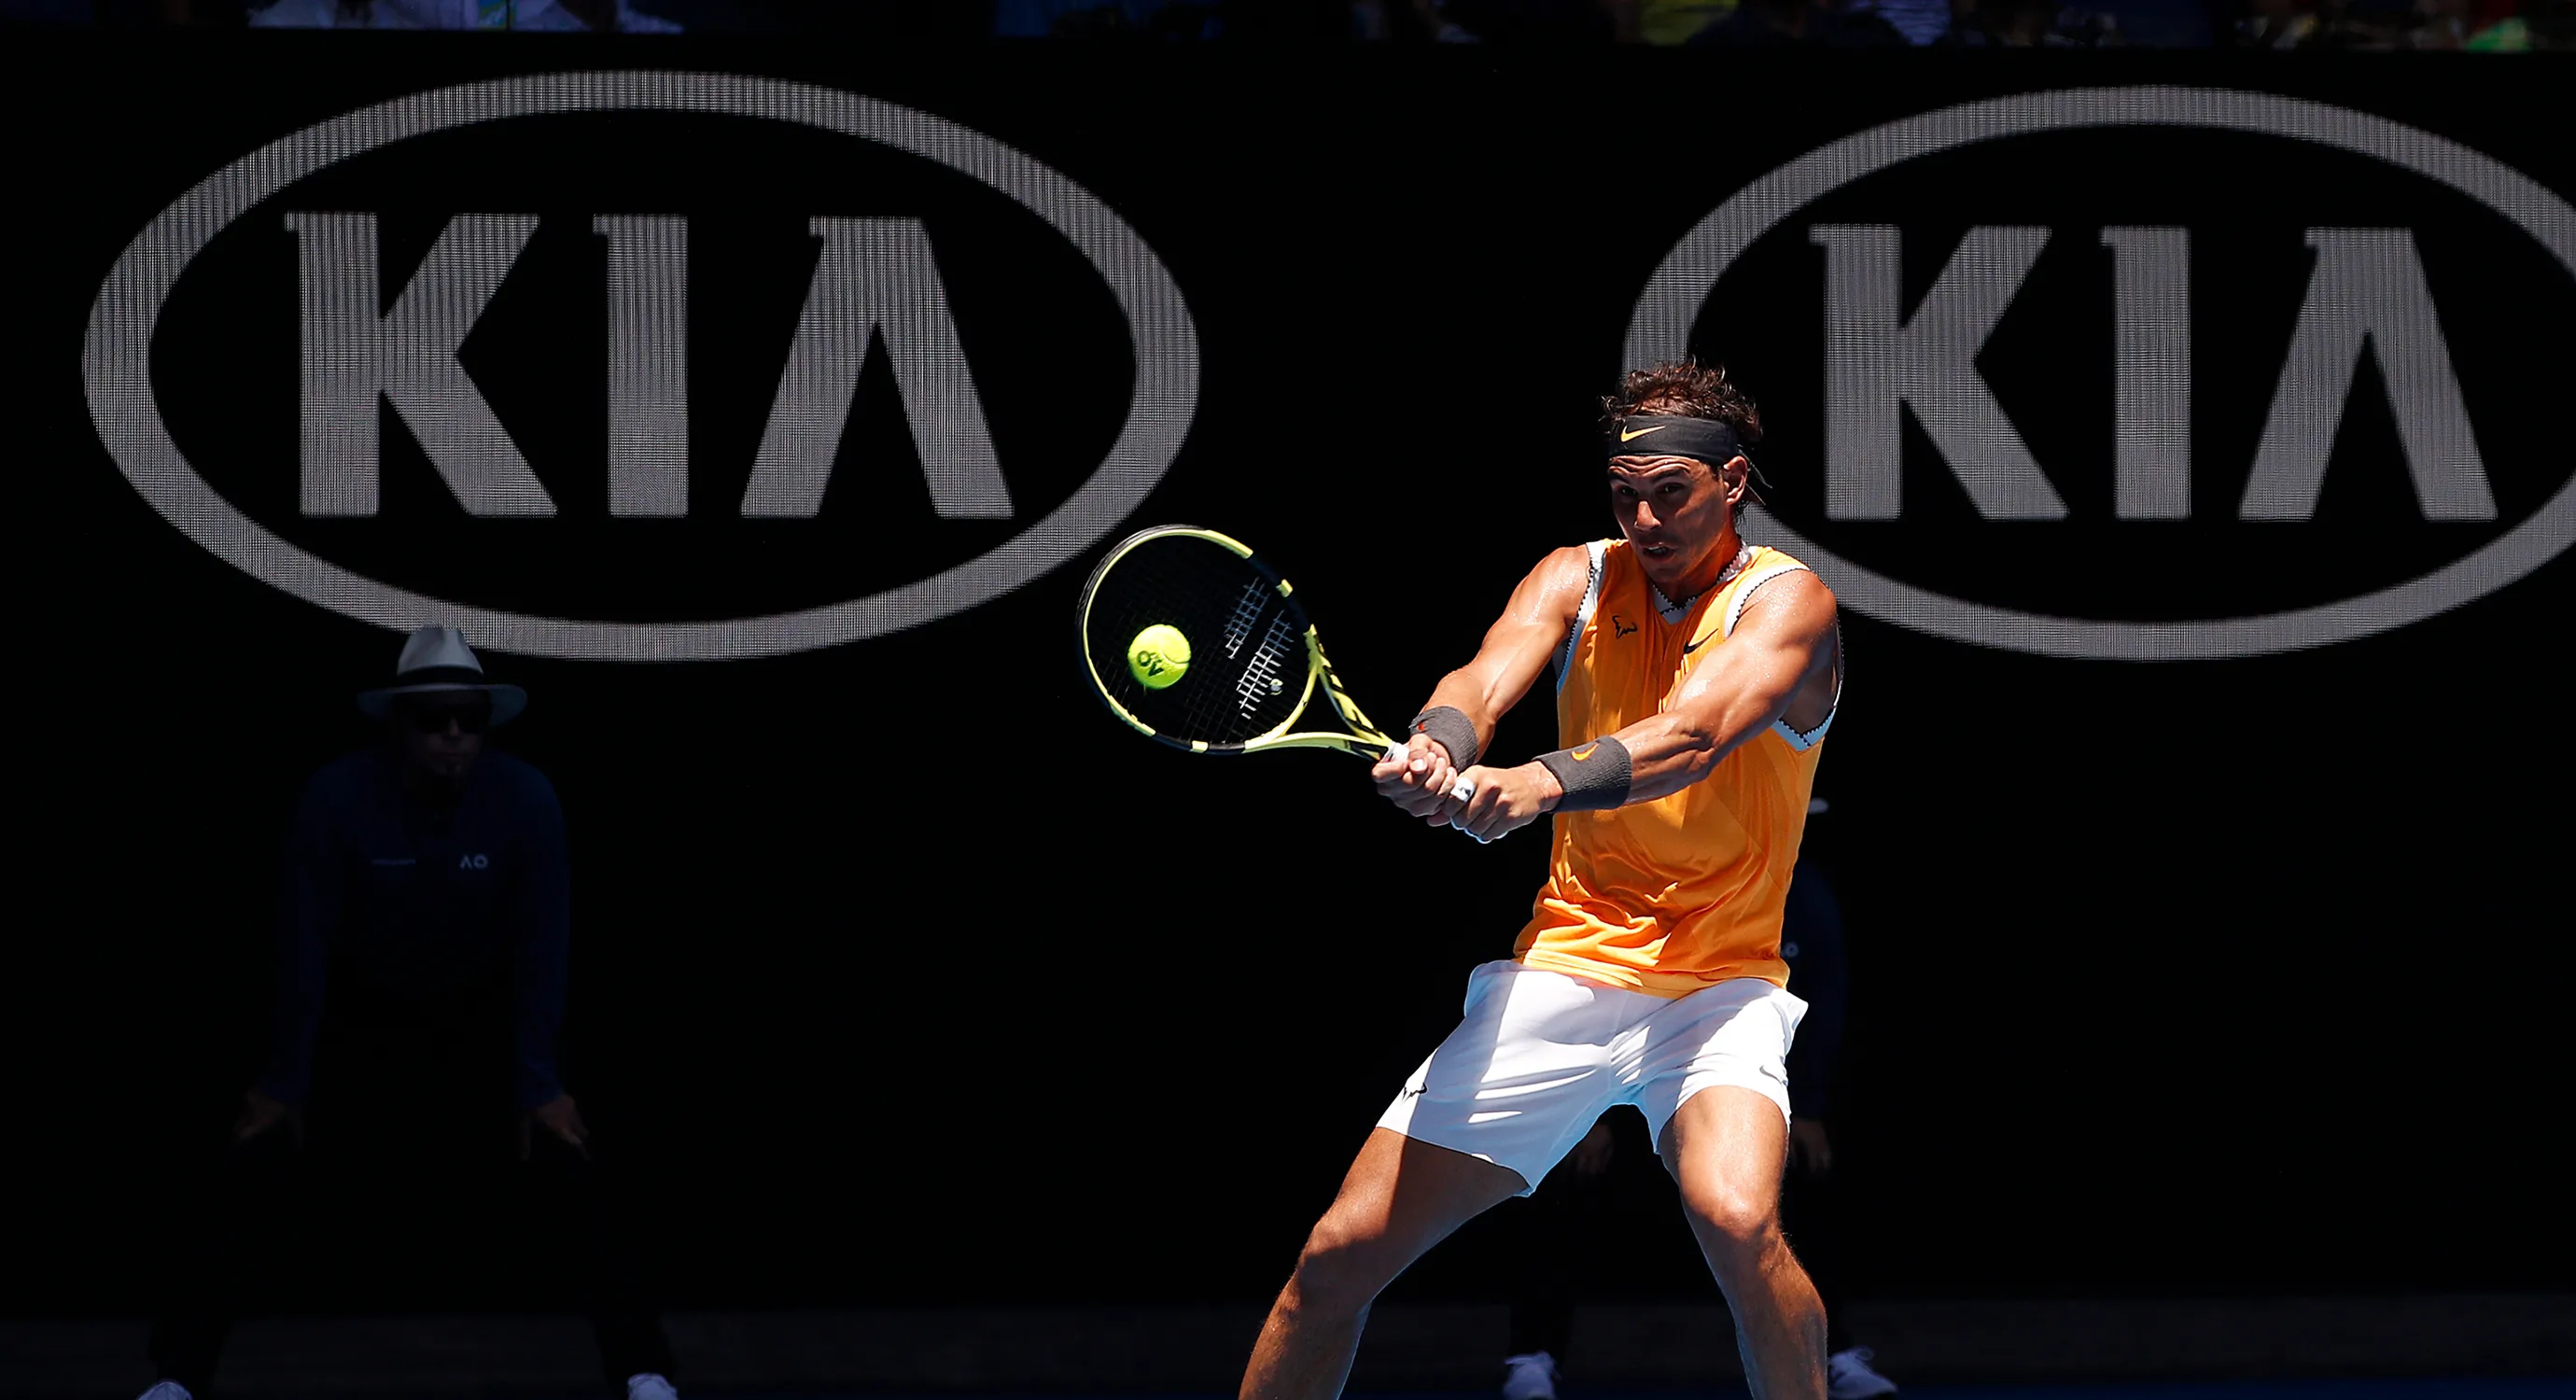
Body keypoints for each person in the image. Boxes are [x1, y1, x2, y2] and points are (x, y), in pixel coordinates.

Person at [1237, 358, 1843, 1400]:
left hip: (1721, 985)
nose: (1644, 518)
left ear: (1732, 482)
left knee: (1739, 1221)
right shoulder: (1576, 575)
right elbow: (1485, 675)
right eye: (1625, 496)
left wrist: (1532, 783)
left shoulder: (1791, 604)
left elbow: (1694, 737)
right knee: (1333, 1264)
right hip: (1565, 969)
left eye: (1671, 494)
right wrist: (1439, 742)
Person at [140, 626, 679, 1400]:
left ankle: (645, 1370)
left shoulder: (528, 799)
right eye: (434, 720)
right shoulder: (333, 797)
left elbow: (544, 944)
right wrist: (287, 1081)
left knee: (578, 1158)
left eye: (469, 720)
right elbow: (303, 942)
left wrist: (536, 1081)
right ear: (399, 725)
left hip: (483, 1024)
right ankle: (177, 1380)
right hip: (360, 1024)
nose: (454, 737)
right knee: (250, 1161)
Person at [1492, 805, 1899, 1400]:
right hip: (1617, 1067)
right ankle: (1533, 1355)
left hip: (1718, 1071)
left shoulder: (1799, 889)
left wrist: (1806, 1108)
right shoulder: (1634, 877)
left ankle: (1834, 1356)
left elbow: (1826, 996)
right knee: (1555, 1178)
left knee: (1769, 1206)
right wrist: (1589, 1115)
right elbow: (1588, 987)